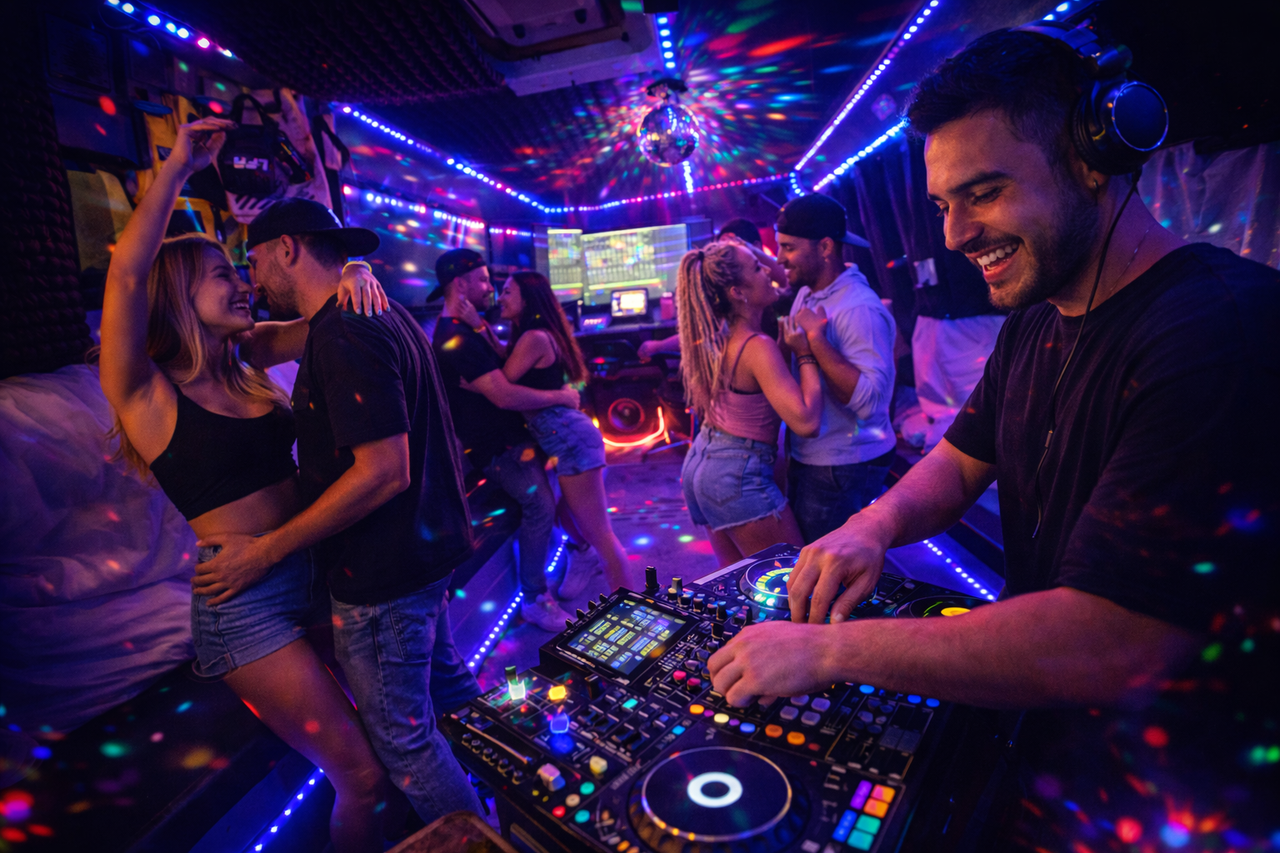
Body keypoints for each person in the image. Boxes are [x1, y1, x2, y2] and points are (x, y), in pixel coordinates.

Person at [708, 27, 1278, 849]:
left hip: (1184, 802)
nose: (952, 234)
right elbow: (960, 459)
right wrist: (872, 525)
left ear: (1095, 157)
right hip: (1063, 758)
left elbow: (1112, 639)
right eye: (943, 203)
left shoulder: (1220, 333)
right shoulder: (1035, 325)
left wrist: (829, 654)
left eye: (984, 191)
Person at [96, 118, 395, 852]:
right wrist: (175, 169)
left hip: (318, 570)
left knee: (394, 742)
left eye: (241, 269)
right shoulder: (145, 392)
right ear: (175, 298)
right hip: (244, 603)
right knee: (361, 774)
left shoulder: (252, 357)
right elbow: (127, 274)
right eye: (223, 275)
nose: (244, 281)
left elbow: (327, 314)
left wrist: (351, 267)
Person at [195, 197, 487, 825]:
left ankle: (479, 839)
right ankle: (520, 802)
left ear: (288, 249)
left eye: (253, 261)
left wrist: (269, 549)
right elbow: (260, 340)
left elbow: (384, 471)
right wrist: (354, 268)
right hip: (424, 551)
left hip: (383, 574)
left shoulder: (346, 330)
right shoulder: (375, 310)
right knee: (455, 697)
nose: (251, 279)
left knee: (407, 746)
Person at [427, 250, 590, 631]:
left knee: (552, 501)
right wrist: (561, 397)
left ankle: (576, 554)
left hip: (512, 440)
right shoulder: (455, 337)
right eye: (484, 280)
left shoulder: (467, 328)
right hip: (498, 447)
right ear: (461, 284)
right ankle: (535, 599)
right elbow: (504, 394)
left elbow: (501, 378)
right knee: (539, 505)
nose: (491, 289)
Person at [674, 241, 823, 565]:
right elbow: (806, 422)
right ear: (737, 292)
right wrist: (807, 350)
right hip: (736, 476)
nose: (768, 271)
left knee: (738, 588)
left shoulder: (719, 338)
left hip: (703, 465)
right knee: (791, 585)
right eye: (756, 268)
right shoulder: (757, 346)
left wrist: (785, 349)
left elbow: (757, 387)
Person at [496, 271, 637, 592]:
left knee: (600, 534)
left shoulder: (534, 338)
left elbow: (501, 383)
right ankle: (585, 560)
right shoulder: (536, 335)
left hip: (570, 440)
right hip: (565, 438)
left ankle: (629, 605)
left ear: (527, 298)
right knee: (565, 514)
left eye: (507, 292)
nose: (500, 298)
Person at [775, 194, 897, 543]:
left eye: (789, 248)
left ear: (826, 247)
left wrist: (816, 340)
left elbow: (872, 403)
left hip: (843, 465)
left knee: (830, 574)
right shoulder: (810, 292)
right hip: (815, 457)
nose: (780, 258)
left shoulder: (858, 308)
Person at [637, 218, 789, 362]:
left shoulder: (771, 294)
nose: (767, 270)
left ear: (755, 247)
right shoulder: (746, 333)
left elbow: (786, 280)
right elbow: (705, 332)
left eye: (730, 251)